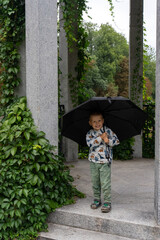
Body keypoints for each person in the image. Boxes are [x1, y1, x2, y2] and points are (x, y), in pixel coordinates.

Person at [86, 112, 120, 213]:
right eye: (94, 121)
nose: (97, 123)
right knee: (95, 182)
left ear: (103, 121)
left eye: (99, 121)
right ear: (90, 123)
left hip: (105, 161)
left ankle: (107, 202)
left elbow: (116, 141)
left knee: (105, 183)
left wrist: (107, 140)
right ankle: (97, 199)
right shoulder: (90, 133)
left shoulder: (108, 131)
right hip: (93, 161)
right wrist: (100, 138)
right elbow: (90, 144)